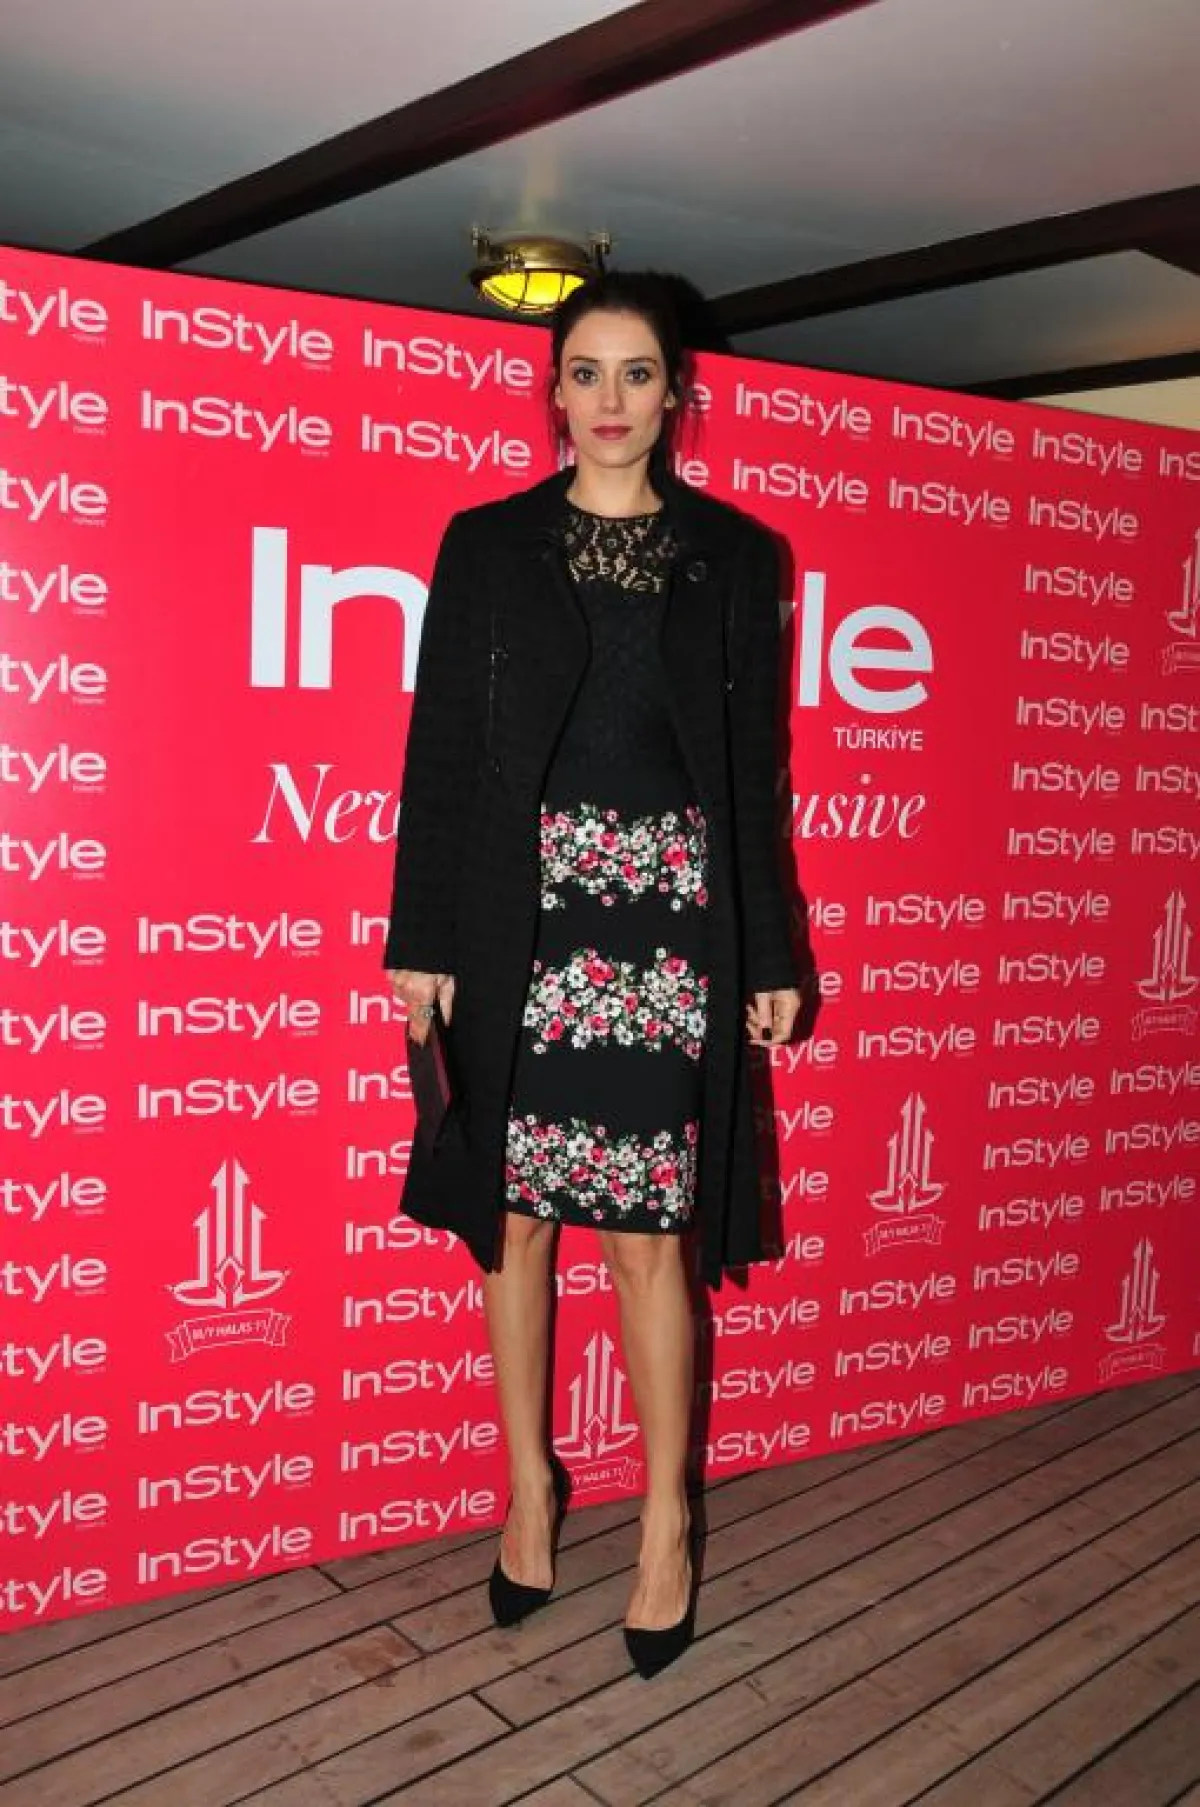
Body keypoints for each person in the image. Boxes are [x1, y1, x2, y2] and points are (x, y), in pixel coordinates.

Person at [383, 270, 803, 1678]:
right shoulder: (487, 544)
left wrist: (770, 947)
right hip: (521, 920)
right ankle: (529, 1495)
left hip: (666, 928)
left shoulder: (732, 556)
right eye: (585, 372)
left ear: (676, 393)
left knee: (645, 1238)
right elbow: (442, 751)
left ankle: (666, 1525)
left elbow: (751, 774)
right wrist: (420, 940)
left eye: (636, 373)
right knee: (513, 1225)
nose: (610, 400)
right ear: (554, 392)